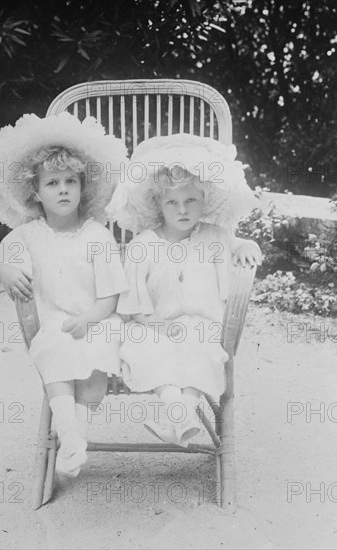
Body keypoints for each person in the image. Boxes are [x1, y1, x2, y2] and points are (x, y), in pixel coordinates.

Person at [0, 112, 128, 476]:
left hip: (98, 318)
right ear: (36, 192)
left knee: (101, 349)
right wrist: (6, 269)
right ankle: (68, 431)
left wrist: (90, 318)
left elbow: (112, 296)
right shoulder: (28, 235)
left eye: (71, 181)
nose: (63, 189)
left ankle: (75, 437)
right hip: (57, 323)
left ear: (82, 187)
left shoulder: (97, 235)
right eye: (53, 183)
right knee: (52, 346)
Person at [106, 134, 262, 447]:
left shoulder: (215, 236)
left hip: (201, 327)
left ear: (204, 201)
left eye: (191, 200)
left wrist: (248, 243)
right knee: (150, 350)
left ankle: (176, 418)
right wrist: (150, 323)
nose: (182, 209)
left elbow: (236, 243)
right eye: (172, 202)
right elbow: (131, 300)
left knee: (201, 351)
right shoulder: (143, 246)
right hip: (154, 326)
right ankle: (182, 417)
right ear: (158, 204)